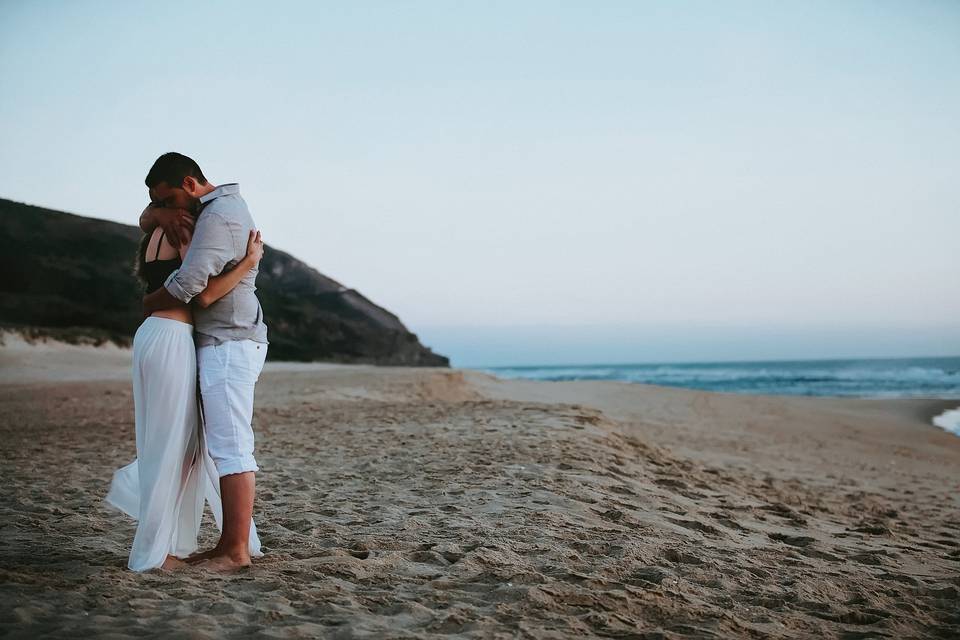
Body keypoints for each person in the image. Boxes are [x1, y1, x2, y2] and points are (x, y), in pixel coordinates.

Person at [105, 201, 265, 572]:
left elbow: (146, 217)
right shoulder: (183, 231)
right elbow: (201, 291)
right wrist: (248, 263)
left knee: (174, 444)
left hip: (154, 336)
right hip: (173, 338)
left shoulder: (155, 230)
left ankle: (160, 547)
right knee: (172, 447)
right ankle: (154, 555)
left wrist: (158, 214)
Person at [139, 152, 270, 572]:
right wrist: (160, 216)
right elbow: (146, 217)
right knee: (217, 447)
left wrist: (148, 301)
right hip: (214, 340)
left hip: (228, 341)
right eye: (162, 203)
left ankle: (235, 550)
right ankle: (228, 545)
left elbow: (198, 289)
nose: (168, 209)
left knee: (231, 448)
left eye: (170, 199)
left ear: (191, 184)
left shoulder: (217, 217)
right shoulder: (201, 210)